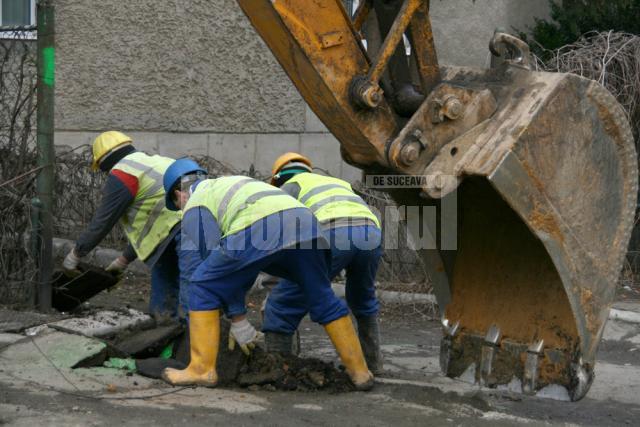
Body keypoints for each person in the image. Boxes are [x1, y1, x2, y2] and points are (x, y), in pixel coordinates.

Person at [161, 158, 374, 390]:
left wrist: (238, 319)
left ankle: (201, 370)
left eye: (177, 204)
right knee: (321, 295)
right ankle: (360, 372)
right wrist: (237, 312)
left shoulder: (196, 203)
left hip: (262, 224)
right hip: (306, 223)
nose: (181, 208)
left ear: (179, 194)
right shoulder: (231, 185)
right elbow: (238, 270)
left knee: (201, 283)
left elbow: (214, 269)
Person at [264, 153, 384, 373]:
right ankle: (372, 363)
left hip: (333, 231)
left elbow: (278, 238)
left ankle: (276, 368)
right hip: (371, 232)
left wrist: (275, 283)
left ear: (277, 178)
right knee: (362, 298)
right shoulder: (337, 182)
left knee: (283, 303)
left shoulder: (287, 188)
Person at [62, 131, 184, 318]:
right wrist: (123, 260)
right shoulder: (155, 162)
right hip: (194, 224)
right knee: (191, 285)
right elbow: (155, 224)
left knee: (192, 294)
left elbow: (103, 221)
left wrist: (75, 254)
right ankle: (171, 330)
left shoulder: (123, 173)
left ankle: (184, 336)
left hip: (178, 232)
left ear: (103, 162)